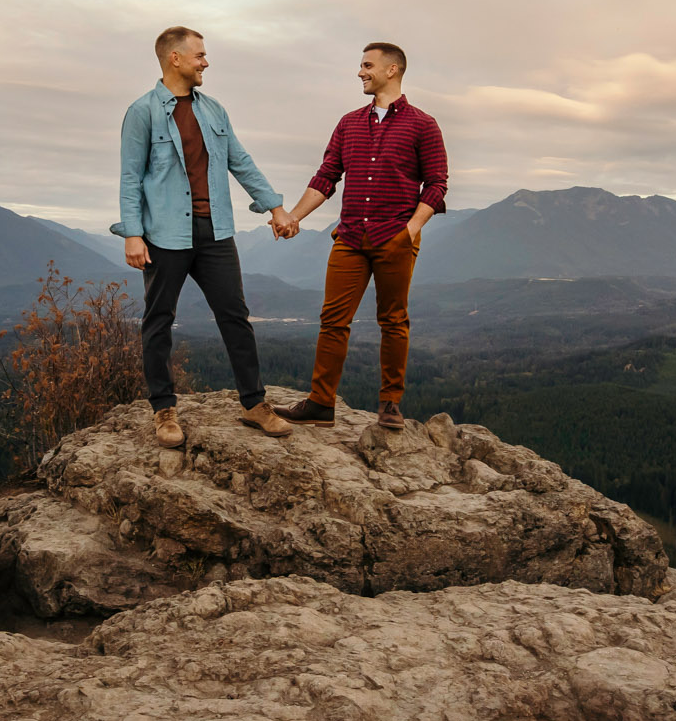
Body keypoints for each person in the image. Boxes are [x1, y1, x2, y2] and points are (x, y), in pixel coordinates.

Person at [113, 26, 300, 447]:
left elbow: (241, 160)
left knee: (235, 316)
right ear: (174, 58)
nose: (205, 62)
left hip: (215, 232)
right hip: (164, 234)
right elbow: (130, 177)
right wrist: (133, 234)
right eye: (199, 55)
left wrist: (275, 206)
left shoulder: (214, 110)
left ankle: (254, 404)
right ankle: (163, 410)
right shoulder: (141, 112)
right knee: (158, 320)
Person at [275, 43, 448, 431]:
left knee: (393, 320)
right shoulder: (349, 123)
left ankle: (390, 404)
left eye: (367, 66)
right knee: (332, 319)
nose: (360, 73)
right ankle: (321, 404)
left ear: (392, 70)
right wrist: (294, 217)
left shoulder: (423, 124)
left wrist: (411, 230)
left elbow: (436, 184)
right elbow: (326, 177)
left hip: (395, 238)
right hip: (351, 236)